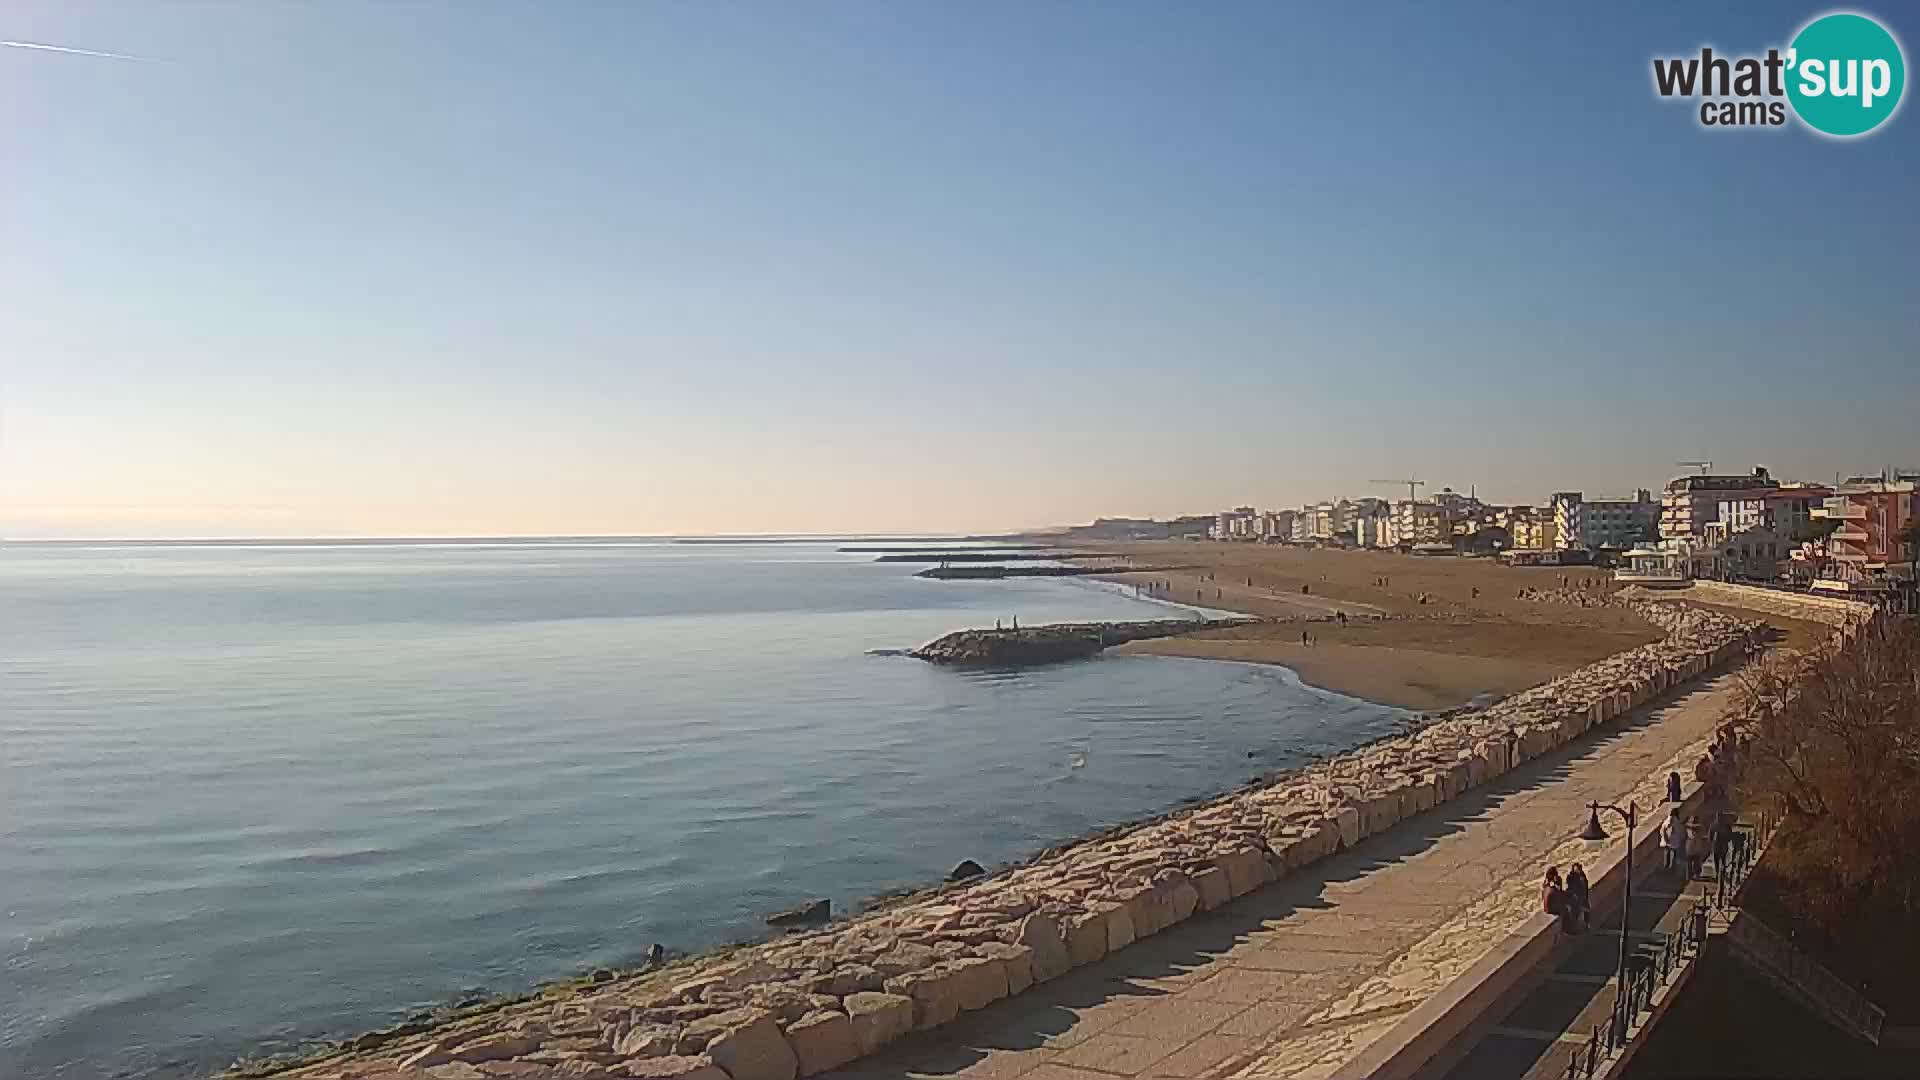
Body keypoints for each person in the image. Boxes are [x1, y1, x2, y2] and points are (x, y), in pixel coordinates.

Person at [1565, 863, 1591, 933]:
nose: (1577, 871)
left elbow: (1585, 886)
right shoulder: (1571, 876)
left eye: (1578, 869)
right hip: (1576, 897)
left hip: (1582, 896)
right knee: (1576, 912)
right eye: (1575, 869)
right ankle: (1573, 927)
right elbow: (1570, 886)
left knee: (1586, 910)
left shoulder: (1582, 875)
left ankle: (1587, 924)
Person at [1662, 807, 1686, 874]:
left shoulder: (1670, 820)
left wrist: (1666, 838)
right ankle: (1672, 867)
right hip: (1675, 841)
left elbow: (1665, 829)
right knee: (1673, 854)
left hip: (1670, 841)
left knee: (1668, 854)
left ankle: (1668, 867)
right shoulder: (1677, 821)